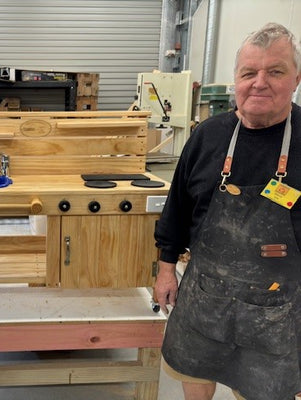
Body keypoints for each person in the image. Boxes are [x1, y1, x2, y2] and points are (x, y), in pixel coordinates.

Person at [154, 22, 301, 400]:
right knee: (195, 372)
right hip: (206, 297)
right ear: (236, 79)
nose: (260, 82)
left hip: (276, 310)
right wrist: (166, 269)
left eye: (275, 71)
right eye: (249, 73)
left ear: (296, 79)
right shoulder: (208, 136)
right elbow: (177, 211)